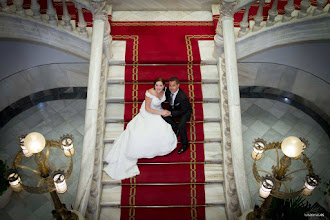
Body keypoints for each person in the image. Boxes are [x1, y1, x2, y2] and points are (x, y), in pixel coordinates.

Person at [104, 77, 177, 180]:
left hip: (157, 109)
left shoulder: (165, 91)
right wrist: (161, 112)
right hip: (148, 112)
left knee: (165, 129)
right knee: (148, 131)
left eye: (160, 85)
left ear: (163, 86)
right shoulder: (149, 93)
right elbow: (147, 108)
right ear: (154, 85)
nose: (158, 87)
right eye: (156, 85)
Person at [162, 77, 192, 154]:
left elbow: (183, 110)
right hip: (174, 108)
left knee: (182, 125)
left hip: (185, 111)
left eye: (173, 85)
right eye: (170, 85)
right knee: (162, 114)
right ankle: (176, 126)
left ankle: (185, 144)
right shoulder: (168, 90)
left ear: (178, 85)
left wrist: (171, 113)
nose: (171, 88)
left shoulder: (183, 97)